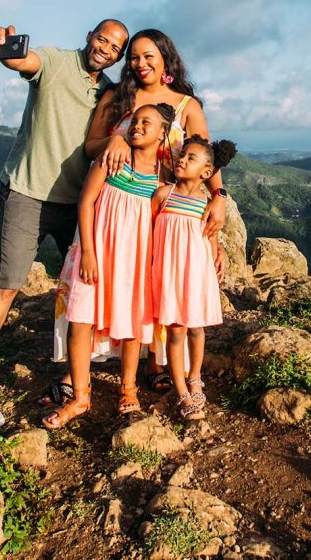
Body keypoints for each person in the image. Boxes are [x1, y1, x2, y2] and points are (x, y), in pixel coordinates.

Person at [0, 19, 128, 431]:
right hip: (27, 192)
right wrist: (6, 51)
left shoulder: (110, 94)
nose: (106, 49)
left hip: (78, 201)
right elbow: (23, 61)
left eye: (115, 47)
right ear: (89, 36)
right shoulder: (55, 62)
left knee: (88, 285)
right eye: (103, 39)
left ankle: (74, 374)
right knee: (8, 281)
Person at [85, 28, 228, 389]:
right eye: (134, 57)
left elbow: (205, 154)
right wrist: (116, 137)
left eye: (149, 55)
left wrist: (219, 197)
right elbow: (89, 147)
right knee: (120, 282)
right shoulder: (117, 97)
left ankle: (154, 362)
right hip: (117, 204)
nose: (140, 63)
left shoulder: (186, 105)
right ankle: (92, 365)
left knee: (153, 282)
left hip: (166, 210)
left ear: (166, 57)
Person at [43, 103, 174, 428]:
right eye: (134, 120)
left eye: (148, 122)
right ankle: (81, 396)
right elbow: (86, 201)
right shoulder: (112, 159)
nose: (138, 125)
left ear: (163, 133)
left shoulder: (161, 175)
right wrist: (87, 252)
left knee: (132, 323)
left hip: (136, 260)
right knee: (81, 319)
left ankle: (128, 388)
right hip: (97, 254)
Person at [151, 135, 237, 420]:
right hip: (169, 274)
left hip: (196, 274)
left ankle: (195, 376)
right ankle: (181, 391)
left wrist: (216, 257)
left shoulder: (207, 202)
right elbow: (149, 232)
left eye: (191, 158)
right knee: (175, 332)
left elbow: (210, 238)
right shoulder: (164, 195)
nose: (182, 160)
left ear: (206, 173)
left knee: (197, 329)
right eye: (183, 155)